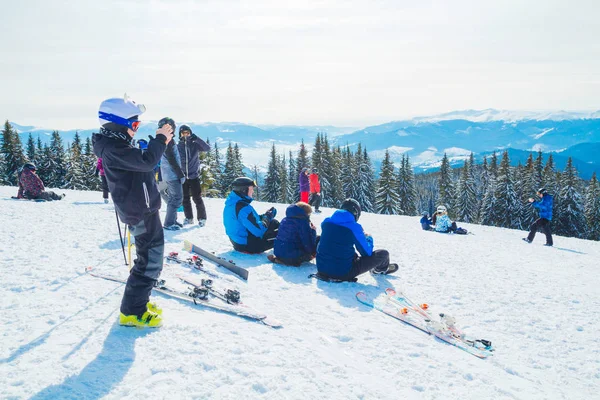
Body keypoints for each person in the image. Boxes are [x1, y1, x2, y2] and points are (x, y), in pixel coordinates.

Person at [94, 95, 173, 328]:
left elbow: (142, 164)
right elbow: (147, 162)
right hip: (140, 212)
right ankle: (132, 312)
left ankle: (139, 303)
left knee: (151, 259)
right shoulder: (114, 149)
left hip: (145, 208)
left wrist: (154, 145)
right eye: (134, 125)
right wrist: (160, 140)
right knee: (149, 262)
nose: (136, 130)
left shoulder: (117, 146)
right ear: (118, 124)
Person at [316, 198, 398, 281]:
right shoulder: (354, 228)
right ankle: (379, 269)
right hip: (342, 273)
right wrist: (368, 237)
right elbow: (366, 253)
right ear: (356, 213)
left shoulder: (326, 222)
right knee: (383, 254)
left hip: (321, 269)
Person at [223, 177, 280, 254]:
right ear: (244, 190)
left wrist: (265, 215)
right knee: (281, 234)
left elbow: (249, 220)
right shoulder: (243, 208)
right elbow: (259, 231)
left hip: (238, 240)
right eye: (251, 189)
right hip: (247, 245)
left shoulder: (233, 203)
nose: (253, 191)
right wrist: (267, 217)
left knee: (273, 222)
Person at [177, 124, 210, 226]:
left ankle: (202, 218)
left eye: (187, 133)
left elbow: (207, 148)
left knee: (197, 198)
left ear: (190, 134)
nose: (186, 135)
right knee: (185, 199)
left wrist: (197, 139)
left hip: (194, 176)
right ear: (180, 135)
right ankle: (189, 218)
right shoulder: (178, 146)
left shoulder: (194, 145)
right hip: (182, 176)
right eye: (183, 133)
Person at [157, 117, 185, 231]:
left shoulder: (167, 140)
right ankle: (169, 223)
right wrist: (180, 174)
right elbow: (171, 158)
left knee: (174, 198)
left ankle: (172, 220)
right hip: (171, 174)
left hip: (168, 174)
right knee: (176, 198)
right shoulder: (167, 141)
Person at [271, 202, 318, 266]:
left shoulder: (285, 219)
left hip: (277, 251)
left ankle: (280, 259)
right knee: (315, 245)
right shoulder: (302, 223)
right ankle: (285, 261)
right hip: (291, 255)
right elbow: (307, 242)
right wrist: (313, 231)